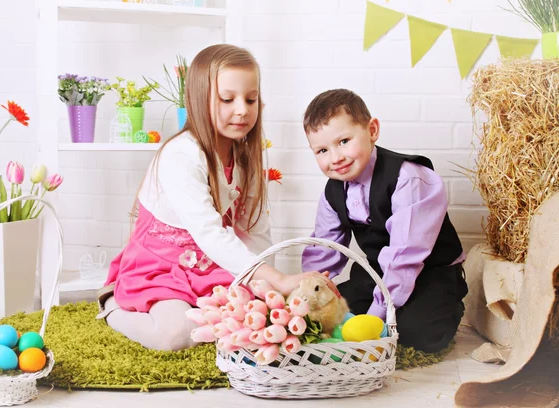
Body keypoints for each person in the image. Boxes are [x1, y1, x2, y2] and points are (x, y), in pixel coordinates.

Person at [96, 44, 330, 351]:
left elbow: (255, 233)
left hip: (209, 266)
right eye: (227, 99)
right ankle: (113, 306)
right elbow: (210, 233)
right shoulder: (181, 155)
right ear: (199, 99)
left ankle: (203, 307)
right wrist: (279, 279)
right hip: (160, 267)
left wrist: (266, 289)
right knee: (176, 334)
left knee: (261, 316)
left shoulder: (245, 160)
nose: (242, 109)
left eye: (251, 99)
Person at [301, 89, 468, 353]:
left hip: (430, 272)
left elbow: (405, 256)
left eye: (344, 141)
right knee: (338, 313)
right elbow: (324, 250)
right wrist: (309, 297)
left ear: (372, 130)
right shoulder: (333, 191)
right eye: (322, 150)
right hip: (380, 272)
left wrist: (376, 316)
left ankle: (450, 305)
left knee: (416, 333)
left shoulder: (408, 179)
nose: (335, 158)